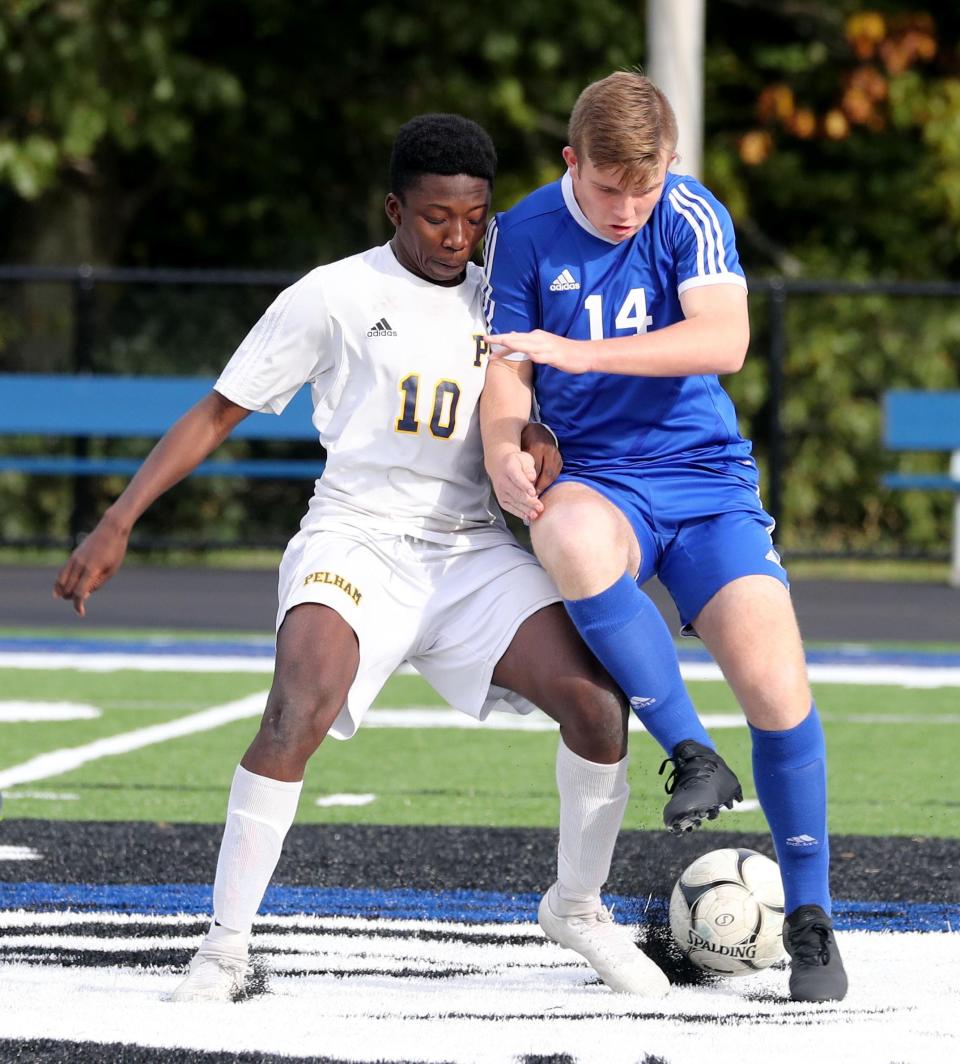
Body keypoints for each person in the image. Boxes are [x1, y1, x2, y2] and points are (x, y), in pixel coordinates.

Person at [52, 113, 673, 1001]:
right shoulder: (333, 295)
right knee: (298, 706)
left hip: (468, 554)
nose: (458, 237)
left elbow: (552, 414)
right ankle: (224, 949)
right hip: (357, 540)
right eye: (435, 218)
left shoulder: (510, 289)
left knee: (597, 702)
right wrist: (117, 520)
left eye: (474, 218)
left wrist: (540, 443)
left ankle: (576, 906)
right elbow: (218, 413)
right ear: (394, 208)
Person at [480, 73, 848, 1003]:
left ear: (671, 166)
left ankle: (810, 920)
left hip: (707, 481)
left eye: (644, 188)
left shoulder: (690, 211)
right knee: (562, 529)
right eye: (609, 189)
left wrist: (582, 354)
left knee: (775, 683)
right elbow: (506, 375)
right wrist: (499, 451)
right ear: (573, 163)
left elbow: (724, 340)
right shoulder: (521, 231)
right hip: (600, 478)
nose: (628, 208)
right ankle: (689, 751)